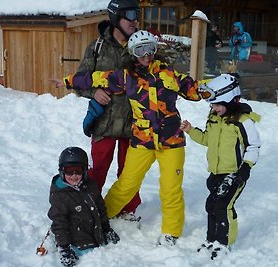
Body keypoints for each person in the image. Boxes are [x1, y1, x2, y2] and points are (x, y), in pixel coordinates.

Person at [62, 30, 210, 246]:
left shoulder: (168, 74)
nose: (147, 55)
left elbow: (194, 90)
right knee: (126, 184)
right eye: (140, 50)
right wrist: (68, 80)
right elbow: (94, 77)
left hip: (171, 142)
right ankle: (101, 217)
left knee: (171, 189)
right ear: (133, 53)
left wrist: (216, 87)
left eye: (150, 48)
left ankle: (171, 232)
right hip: (143, 140)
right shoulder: (125, 77)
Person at [52, 0, 142, 219]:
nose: (135, 20)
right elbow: (81, 81)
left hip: (134, 123)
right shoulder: (97, 47)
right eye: (130, 15)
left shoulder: (139, 46)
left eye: (137, 15)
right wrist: (95, 93)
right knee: (98, 170)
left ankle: (127, 210)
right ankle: (88, 207)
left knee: (129, 173)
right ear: (115, 17)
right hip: (104, 123)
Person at [179, 74, 261, 259]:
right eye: (212, 105)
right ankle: (212, 240)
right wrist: (191, 130)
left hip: (234, 174)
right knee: (212, 206)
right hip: (215, 173)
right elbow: (208, 139)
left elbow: (253, 146)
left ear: (231, 100)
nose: (213, 109)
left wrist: (245, 168)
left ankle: (225, 244)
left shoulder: (243, 121)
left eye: (217, 105)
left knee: (224, 207)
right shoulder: (215, 117)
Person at [47, 147, 120, 267]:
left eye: (78, 170)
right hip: (77, 241)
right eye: (69, 171)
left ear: (85, 171)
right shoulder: (60, 195)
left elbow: (100, 208)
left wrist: (106, 229)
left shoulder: (90, 185)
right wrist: (64, 248)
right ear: (62, 171)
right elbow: (59, 223)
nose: (74, 176)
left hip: (95, 235)